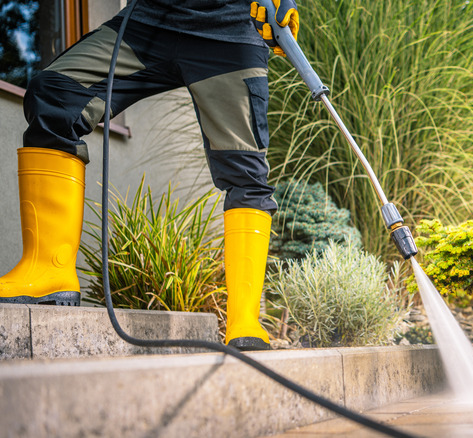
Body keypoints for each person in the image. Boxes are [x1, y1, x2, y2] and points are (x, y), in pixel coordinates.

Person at [0, 0, 298, 351]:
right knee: (54, 93)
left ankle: (244, 321)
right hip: (148, 22)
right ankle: (48, 270)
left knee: (244, 169)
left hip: (229, 32)